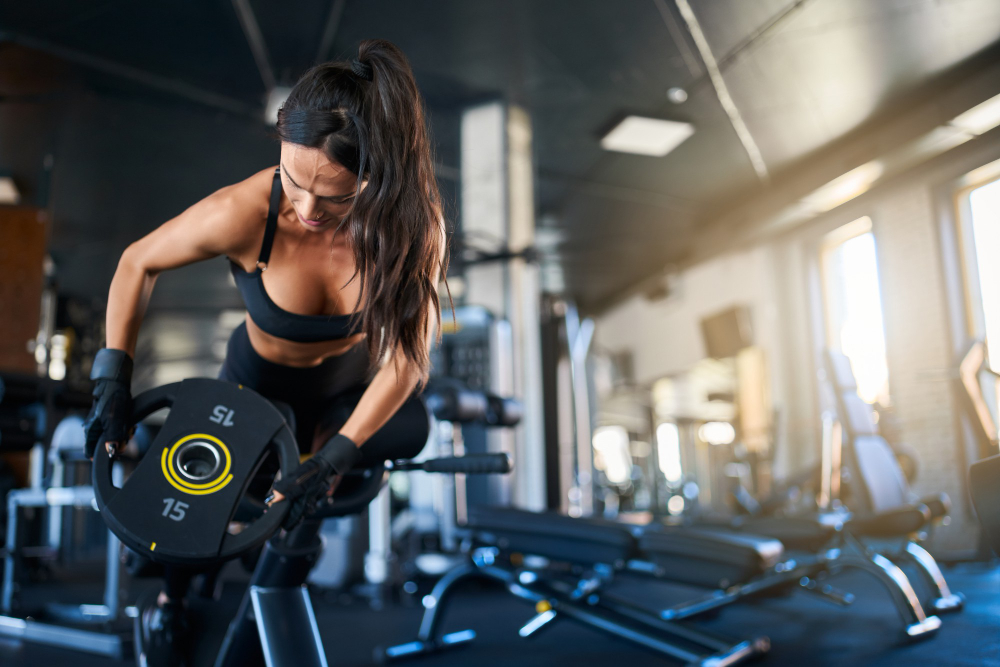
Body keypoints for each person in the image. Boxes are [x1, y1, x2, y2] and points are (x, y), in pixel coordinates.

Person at [82, 39, 448, 667]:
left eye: (334, 195)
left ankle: (273, 595)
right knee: (187, 510)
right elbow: (136, 262)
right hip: (254, 383)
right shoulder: (246, 211)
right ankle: (171, 606)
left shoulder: (411, 229)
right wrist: (112, 375)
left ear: (374, 175)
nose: (307, 209)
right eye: (293, 180)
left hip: (343, 394)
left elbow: (409, 356)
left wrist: (338, 451)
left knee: (400, 434)